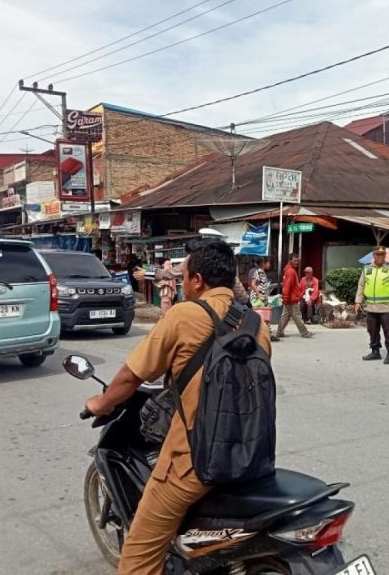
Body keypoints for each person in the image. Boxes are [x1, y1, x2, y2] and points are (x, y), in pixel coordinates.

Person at [84, 238, 272, 574]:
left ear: (198, 280)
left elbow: (131, 377)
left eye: (183, 277)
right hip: (250, 455)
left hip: (194, 462)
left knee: (137, 557)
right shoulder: (255, 325)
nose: (181, 284)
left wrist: (101, 402)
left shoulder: (185, 314)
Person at [355, 246, 389, 364]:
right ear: (374, 255)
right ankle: (375, 351)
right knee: (372, 331)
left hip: (387, 307)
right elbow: (361, 285)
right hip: (371, 307)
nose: (380, 256)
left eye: (382, 254)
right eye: (378, 254)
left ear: (385, 255)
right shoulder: (367, 269)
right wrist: (358, 301)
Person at [276, 253, 313, 338]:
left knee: (285, 316)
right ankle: (305, 333)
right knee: (297, 316)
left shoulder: (289, 270)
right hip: (291, 299)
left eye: (297, 261)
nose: (297, 262)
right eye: (295, 260)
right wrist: (286, 298)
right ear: (290, 260)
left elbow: (286, 286)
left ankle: (279, 332)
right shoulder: (291, 272)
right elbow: (287, 286)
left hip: (289, 298)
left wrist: (285, 298)